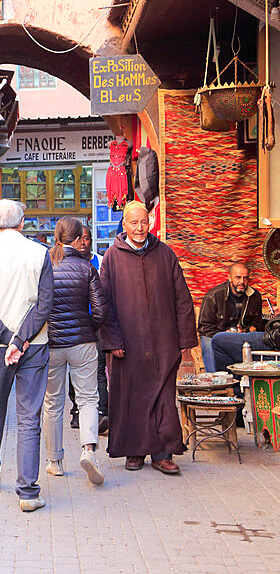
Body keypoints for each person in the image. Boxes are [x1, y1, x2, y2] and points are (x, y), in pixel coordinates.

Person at [100, 200, 197, 475]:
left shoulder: (165, 254)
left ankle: (163, 453)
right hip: (128, 345)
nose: (140, 228)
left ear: (150, 223)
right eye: (134, 223)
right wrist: (113, 340)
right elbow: (104, 303)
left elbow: (182, 299)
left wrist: (185, 341)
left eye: (144, 222)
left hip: (162, 341)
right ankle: (134, 452)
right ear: (124, 225)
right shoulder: (112, 257)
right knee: (130, 397)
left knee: (164, 397)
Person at [0, 199, 53, 513]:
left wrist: (7, 340)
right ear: (22, 223)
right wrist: (21, 338)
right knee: (29, 417)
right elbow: (44, 304)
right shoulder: (39, 253)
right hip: (34, 344)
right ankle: (28, 492)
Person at [41, 216, 106, 486]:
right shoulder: (86, 267)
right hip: (82, 342)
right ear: (78, 239)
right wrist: (86, 326)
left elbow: (38, 305)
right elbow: (100, 310)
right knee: (88, 398)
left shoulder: (45, 264)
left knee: (52, 403)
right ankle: (88, 450)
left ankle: (55, 461)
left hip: (52, 343)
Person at [68, 225, 109, 432]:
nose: (83, 243)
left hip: (95, 325)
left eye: (87, 239)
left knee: (98, 369)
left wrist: (96, 324)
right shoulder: (66, 262)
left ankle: (103, 412)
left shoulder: (100, 262)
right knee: (75, 370)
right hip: (75, 326)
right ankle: (77, 410)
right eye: (80, 239)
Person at [198, 262, 264, 372]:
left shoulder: (254, 296)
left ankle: (252, 380)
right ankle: (216, 381)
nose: (242, 282)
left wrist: (245, 330)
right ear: (229, 278)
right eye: (238, 277)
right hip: (215, 335)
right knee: (208, 343)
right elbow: (204, 328)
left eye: (245, 278)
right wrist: (226, 335)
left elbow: (258, 322)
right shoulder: (214, 295)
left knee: (261, 339)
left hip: (241, 336)